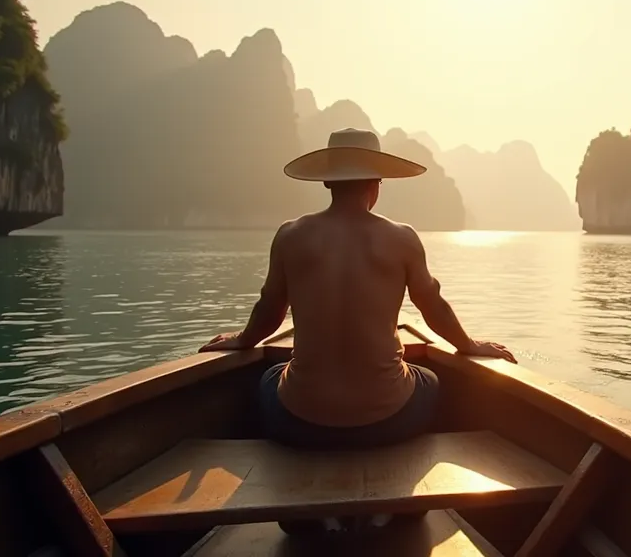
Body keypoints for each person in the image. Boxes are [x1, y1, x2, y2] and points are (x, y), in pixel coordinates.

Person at [198, 127, 516, 452]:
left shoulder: (290, 236)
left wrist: (240, 340)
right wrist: (470, 345)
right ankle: (414, 487)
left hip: (299, 423)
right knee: (430, 380)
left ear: (326, 180)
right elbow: (432, 307)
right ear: (376, 183)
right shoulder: (402, 238)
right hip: (389, 421)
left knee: (269, 378)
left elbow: (270, 311)